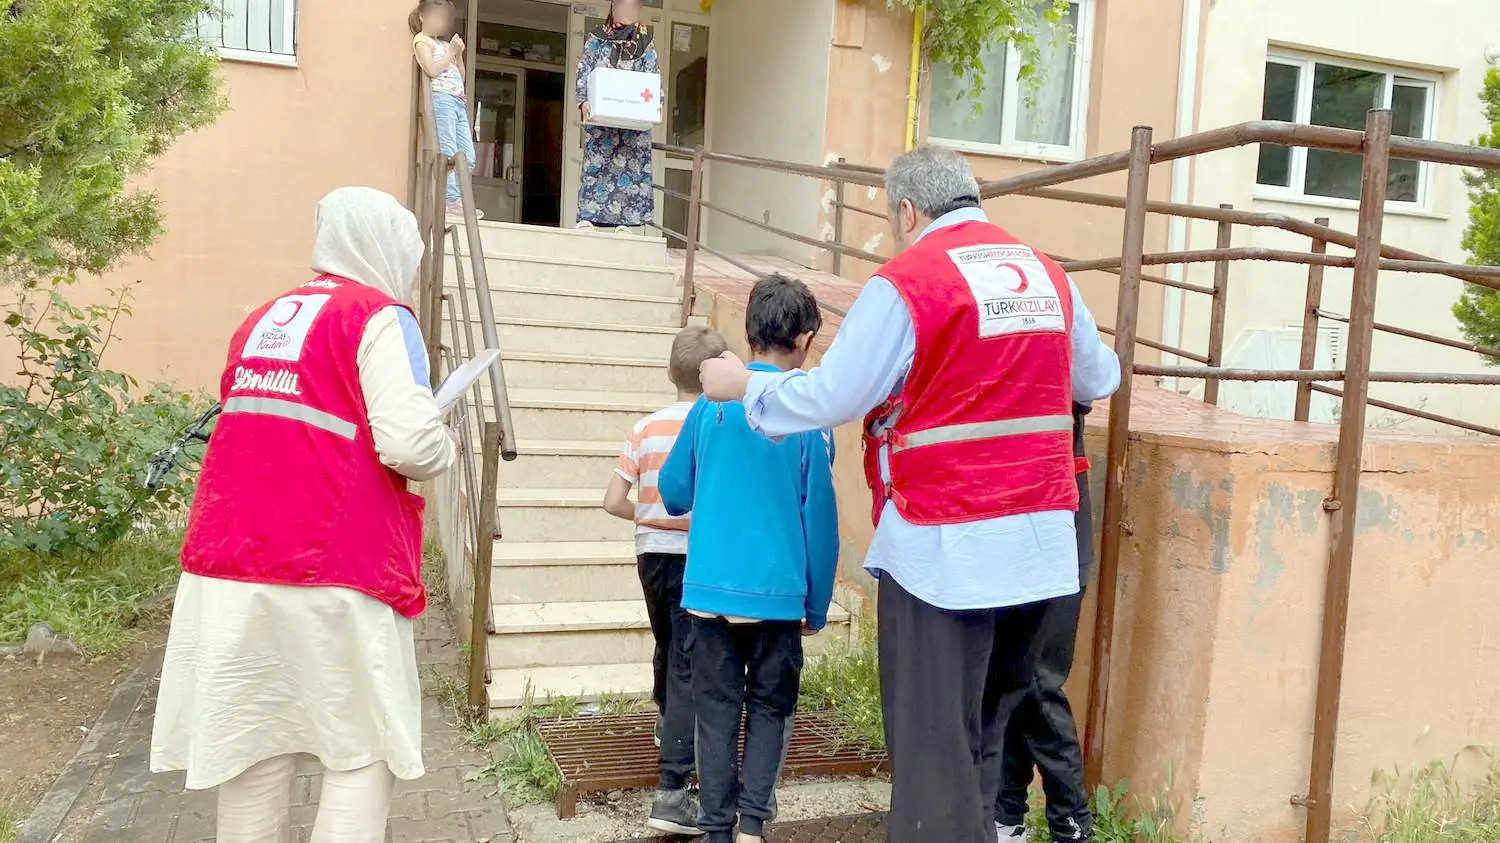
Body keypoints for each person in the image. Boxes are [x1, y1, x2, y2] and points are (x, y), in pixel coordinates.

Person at [696, 145, 1122, 843]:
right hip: (1042, 545)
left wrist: (748, 386)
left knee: (934, 748)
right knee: (987, 730)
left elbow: (836, 394)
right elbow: (1098, 378)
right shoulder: (1048, 275)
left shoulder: (910, 282)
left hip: (944, 547)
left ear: (907, 210)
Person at [150, 187, 455, 843]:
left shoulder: (262, 319)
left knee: (254, 750)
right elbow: (409, 444)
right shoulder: (377, 316)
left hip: (228, 563)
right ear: (385, 249)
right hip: (334, 563)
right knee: (363, 748)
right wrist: (443, 440)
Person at [659, 275, 840, 843]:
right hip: (778, 595)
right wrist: (816, 602)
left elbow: (673, 491)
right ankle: (753, 826)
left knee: (715, 712)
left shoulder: (709, 407)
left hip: (709, 592)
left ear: (748, 332)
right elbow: (820, 518)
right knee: (769, 707)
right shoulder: (807, 416)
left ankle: (716, 828)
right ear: (805, 340)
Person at [602, 324, 729, 837]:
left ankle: (665, 719)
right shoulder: (717, 422)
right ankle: (672, 790)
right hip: (696, 556)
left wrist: (651, 516)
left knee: (668, 642)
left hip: (651, 554)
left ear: (668, 372)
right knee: (687, 660)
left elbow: (612, 501)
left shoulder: (644, 428)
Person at [994, 403, 1096, 842]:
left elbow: (1098, 379)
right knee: (1005, 680)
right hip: (1005, 539)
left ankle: (1071, 826)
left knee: (1038, 684)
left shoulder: (1063, 365)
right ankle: (1005, 816)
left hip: (1057, 546)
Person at [573, 0, 657, 232]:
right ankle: (588, 217)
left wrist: (655, 104)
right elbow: (584, 69)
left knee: (629, 166)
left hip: (632, 123)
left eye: (634, 7)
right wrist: (583, 100)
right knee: (597, 164)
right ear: (613, 8)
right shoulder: (597, 38)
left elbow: (653, 77)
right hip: (602, 120)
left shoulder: (646, 43)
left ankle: (625, 222)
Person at [410, 0, 483, 220]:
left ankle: (459, 200)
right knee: (449, 152)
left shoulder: (442, 45)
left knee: (468, 156)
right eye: (435, 17)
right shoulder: (421, 41)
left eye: (443, 19)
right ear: (422, 16)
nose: (439, 23)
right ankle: (451, 201)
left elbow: (461, 77)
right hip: (442, 100)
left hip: (458, 101)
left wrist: (457, 55)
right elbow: (431, 70)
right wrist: (450, 52)